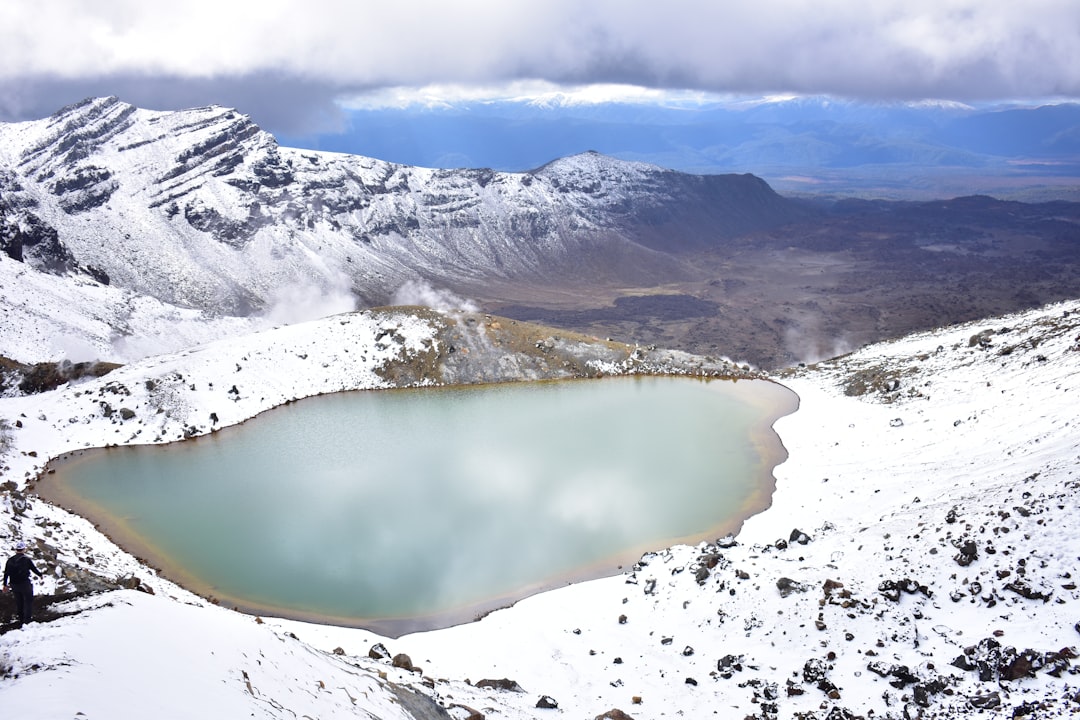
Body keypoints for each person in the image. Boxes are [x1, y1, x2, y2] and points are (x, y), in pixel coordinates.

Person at [3, 541, 44, 625]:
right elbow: (33, 569)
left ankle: (21, 620)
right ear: (24, 549)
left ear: (16, 550)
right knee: (28, 601)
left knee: (19, 602)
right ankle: (27, 621)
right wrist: (40, 575)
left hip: (14, 584)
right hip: (25, 583)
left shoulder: (10, 560)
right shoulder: (26, 559)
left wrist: (5, 584)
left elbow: (6, 573)